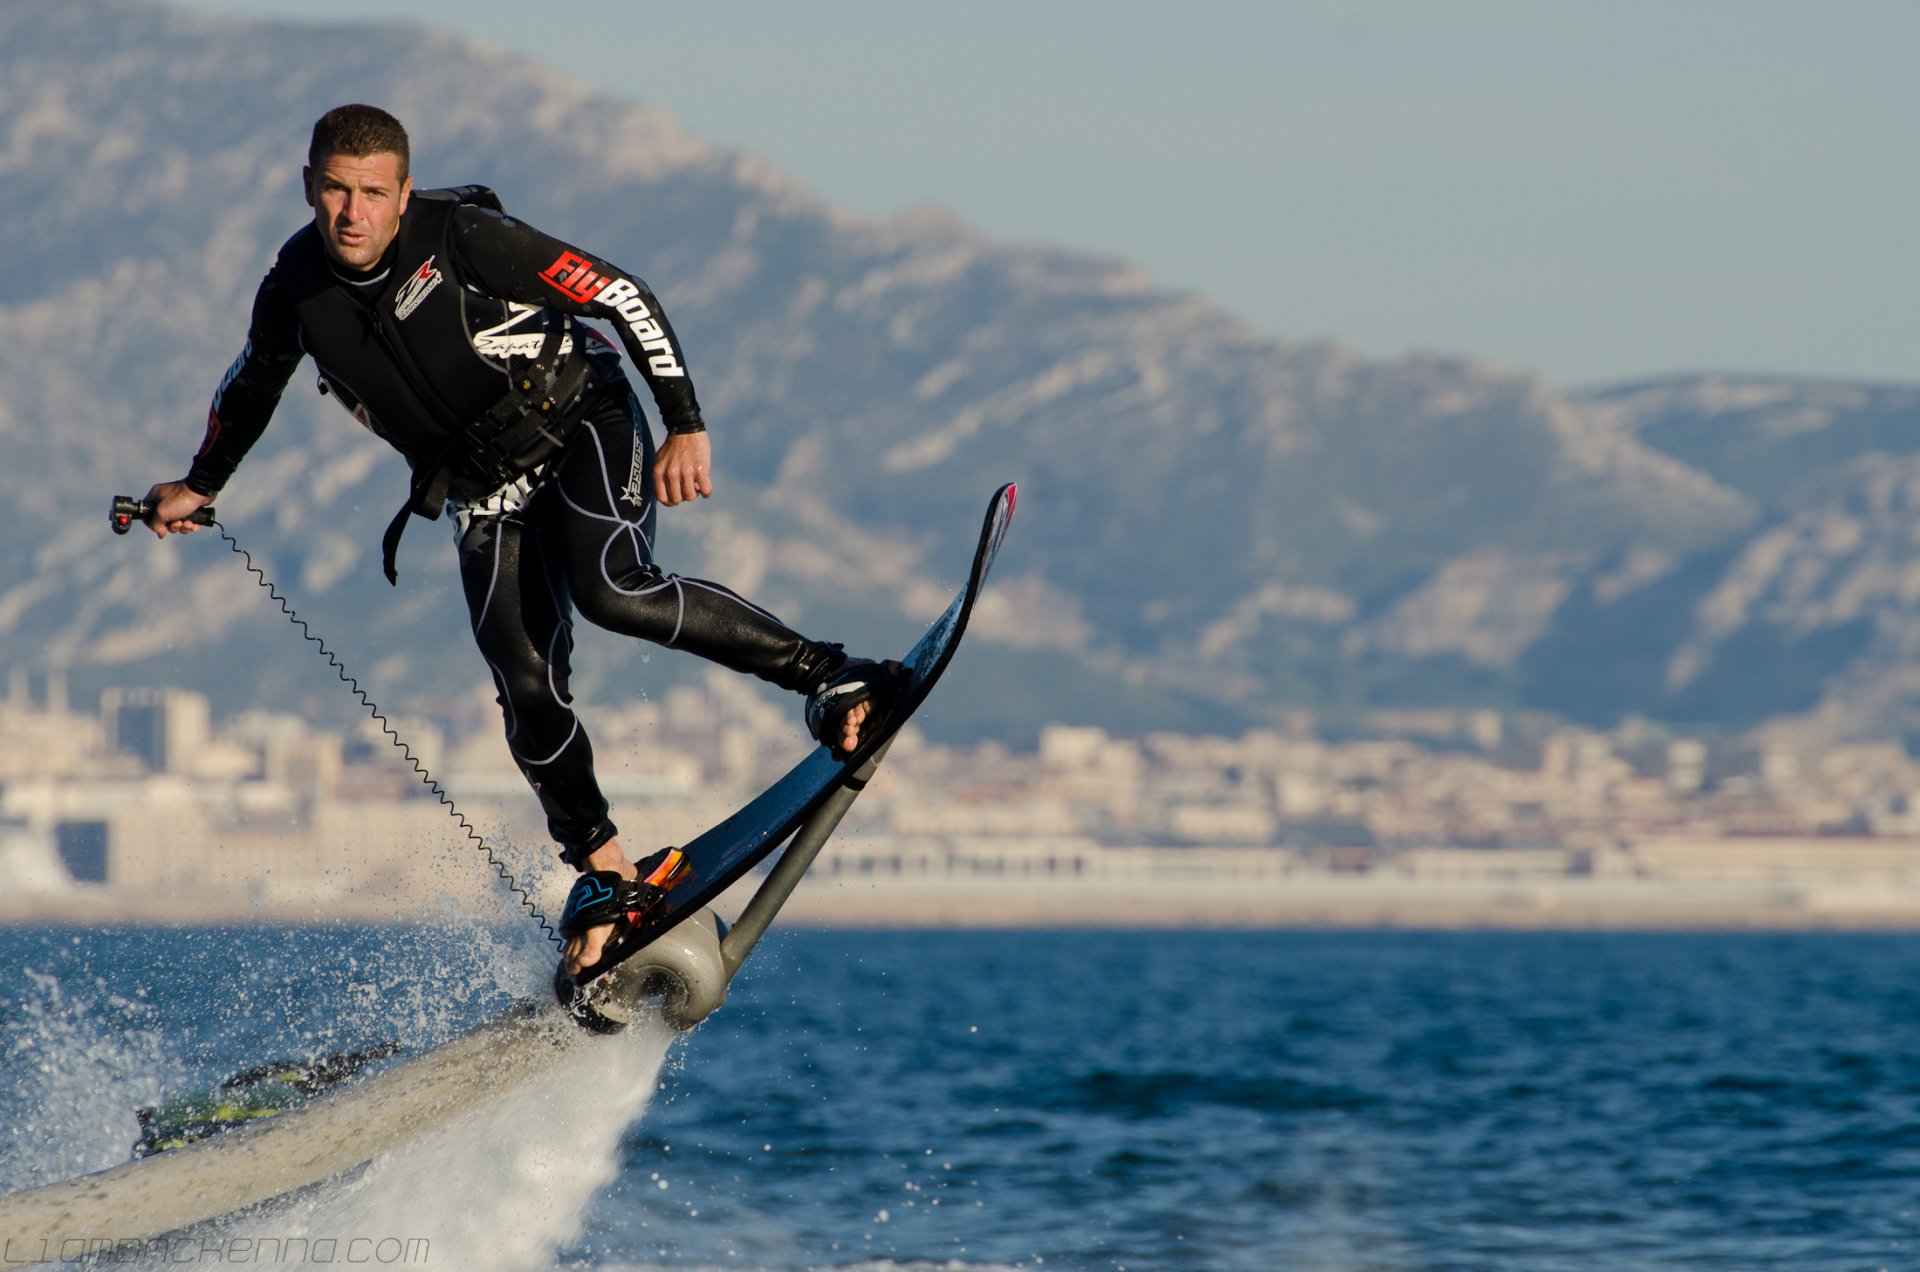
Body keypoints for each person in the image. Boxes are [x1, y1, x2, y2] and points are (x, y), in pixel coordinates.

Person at [142, 104, 897, 978]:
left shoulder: (463, 236)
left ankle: (831, 675)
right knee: (524, 677)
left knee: (613, 588)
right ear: (308, 186)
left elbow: (619, 294)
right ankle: (605, 874)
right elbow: (251, 385)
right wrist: (201, 485)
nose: (353, 213)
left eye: (373, 194)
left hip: (580, 419)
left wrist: (684, 423)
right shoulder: (294, 288)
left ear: (403, 193)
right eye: (337, 192)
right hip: (481, 485)